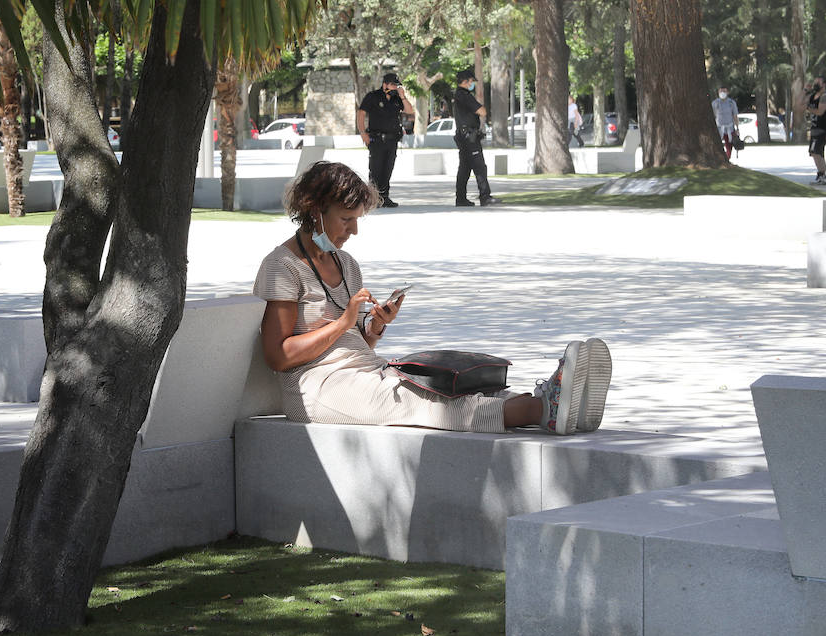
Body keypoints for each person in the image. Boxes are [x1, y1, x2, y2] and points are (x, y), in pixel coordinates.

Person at [253, 160, 612, 435]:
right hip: (317, 387)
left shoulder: (345, 263)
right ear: (316, 211)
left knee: (443, 385)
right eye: (347, 219)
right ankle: (543, 412)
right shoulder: (283, 266)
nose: (355, 230)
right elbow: (279, 356)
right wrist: (345, 322)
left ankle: (554, 403)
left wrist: (372, 328)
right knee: (417, 402)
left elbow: (351, 342)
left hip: (365, 371)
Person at [356, 72, 412, 208]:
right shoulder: (373, 96)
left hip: (392, 140)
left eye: (396, 85)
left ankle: (384, 197)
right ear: (385, 84)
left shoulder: (397, 99)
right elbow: (361, 113)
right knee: (375, 169)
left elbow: (410, 111)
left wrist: (402, 96)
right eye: (392, 85)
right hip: (376, 139)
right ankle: (373, 199)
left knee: (388, 169)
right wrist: (363, 133)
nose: (394, 87)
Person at [452, 68, 496, 207]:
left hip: (463, 135)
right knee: (479, 167)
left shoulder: (458, 94)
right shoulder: (464, 95)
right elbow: (482, 111)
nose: (472, 84)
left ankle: (461, 198)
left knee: (464, 168)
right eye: (471, 81)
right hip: (469, 136)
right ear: (465, 81)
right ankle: (485, 196)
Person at [804, 76, 826, 186]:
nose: (815, 83)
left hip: (822, 129)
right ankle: (821, 175)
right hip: (814, 128)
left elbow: (820, 112)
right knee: (814, 152)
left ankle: (823, 176)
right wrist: (805, 90)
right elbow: (799, 103)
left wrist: (808, 108)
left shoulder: (825, 96)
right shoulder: (812, 96)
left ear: (824, 84)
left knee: (817, 152)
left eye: (818, 82)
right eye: (814, 82)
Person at [711, 84, 741, 160]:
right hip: (718, 128)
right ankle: (718, 159)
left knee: (729, 146)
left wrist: (737, 129)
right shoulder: (715, 103)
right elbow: (712, 116)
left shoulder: (731, 103)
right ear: (718, 92)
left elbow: (735, 116)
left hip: (729, 128)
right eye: (721, 91)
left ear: (727, 92)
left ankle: (727, 159)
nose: (722, 93)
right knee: (716, 145)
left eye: (724, 91)